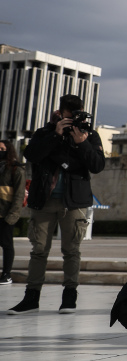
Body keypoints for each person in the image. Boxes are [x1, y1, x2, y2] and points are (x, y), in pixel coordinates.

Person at [8, 95, 105, 315]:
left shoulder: (89, 135)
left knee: (72, 251)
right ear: (60, 114)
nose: (75, 120)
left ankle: (69, 297)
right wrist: (56, 134)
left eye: (78, 115)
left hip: (74, 202)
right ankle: (31, 298)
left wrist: (82, 144)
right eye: (71, 116)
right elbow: (31, 155)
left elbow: (98, 165)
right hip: (44, 200)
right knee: (39, 250)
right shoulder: (45, 133)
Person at [0, 139, 25, 285]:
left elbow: (19, 195)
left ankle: (6, 274)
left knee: (6, 244)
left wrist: (13, 216)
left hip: (6, 214)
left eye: (2, 148)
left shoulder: (16, 169)